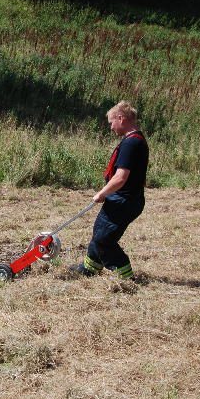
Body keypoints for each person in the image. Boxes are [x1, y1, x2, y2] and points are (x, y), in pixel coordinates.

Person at [70, 101, 149, 280]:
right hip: (122, 199)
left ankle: (126, 276)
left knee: (104, 239)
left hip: (124, 201)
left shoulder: (131, 144)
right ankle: (90, 267)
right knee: (100, 231)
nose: (111, 127)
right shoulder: (135, 140)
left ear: (121, 118)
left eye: (111, 122)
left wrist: (102, 193)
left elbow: (121, 177)